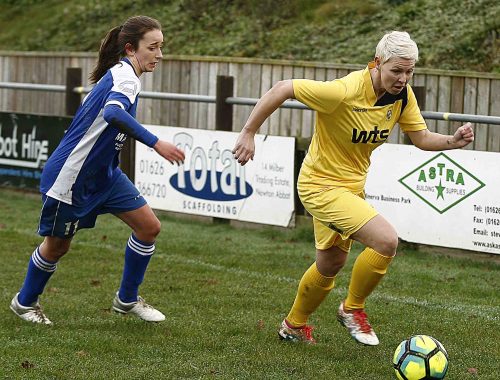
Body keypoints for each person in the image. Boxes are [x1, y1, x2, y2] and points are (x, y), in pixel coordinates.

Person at [232, 31, 474, 345]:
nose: (403, 78)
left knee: (330, 262)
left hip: (350, 188)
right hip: (320, 186)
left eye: (409, 71)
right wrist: (249, 132)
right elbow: (283, 88)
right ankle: (352, 308)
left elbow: (422, 137)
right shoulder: (343, 91)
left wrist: (452, 143)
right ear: (377, 63)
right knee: (386, 241)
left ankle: (292, 326)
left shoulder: (402, 96)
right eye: (396, 71)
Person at [10, 16, 185, 325]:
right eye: (153, 47)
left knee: (148, 227)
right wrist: (156, 143)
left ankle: (127, 300)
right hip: (72, 177)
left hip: (105, 175)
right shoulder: (126, 78)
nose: (159, 55)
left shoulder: (123, 74)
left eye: (161, 47)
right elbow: (113, 112)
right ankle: (25, 303)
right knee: (57, 247)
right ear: (131, 49)